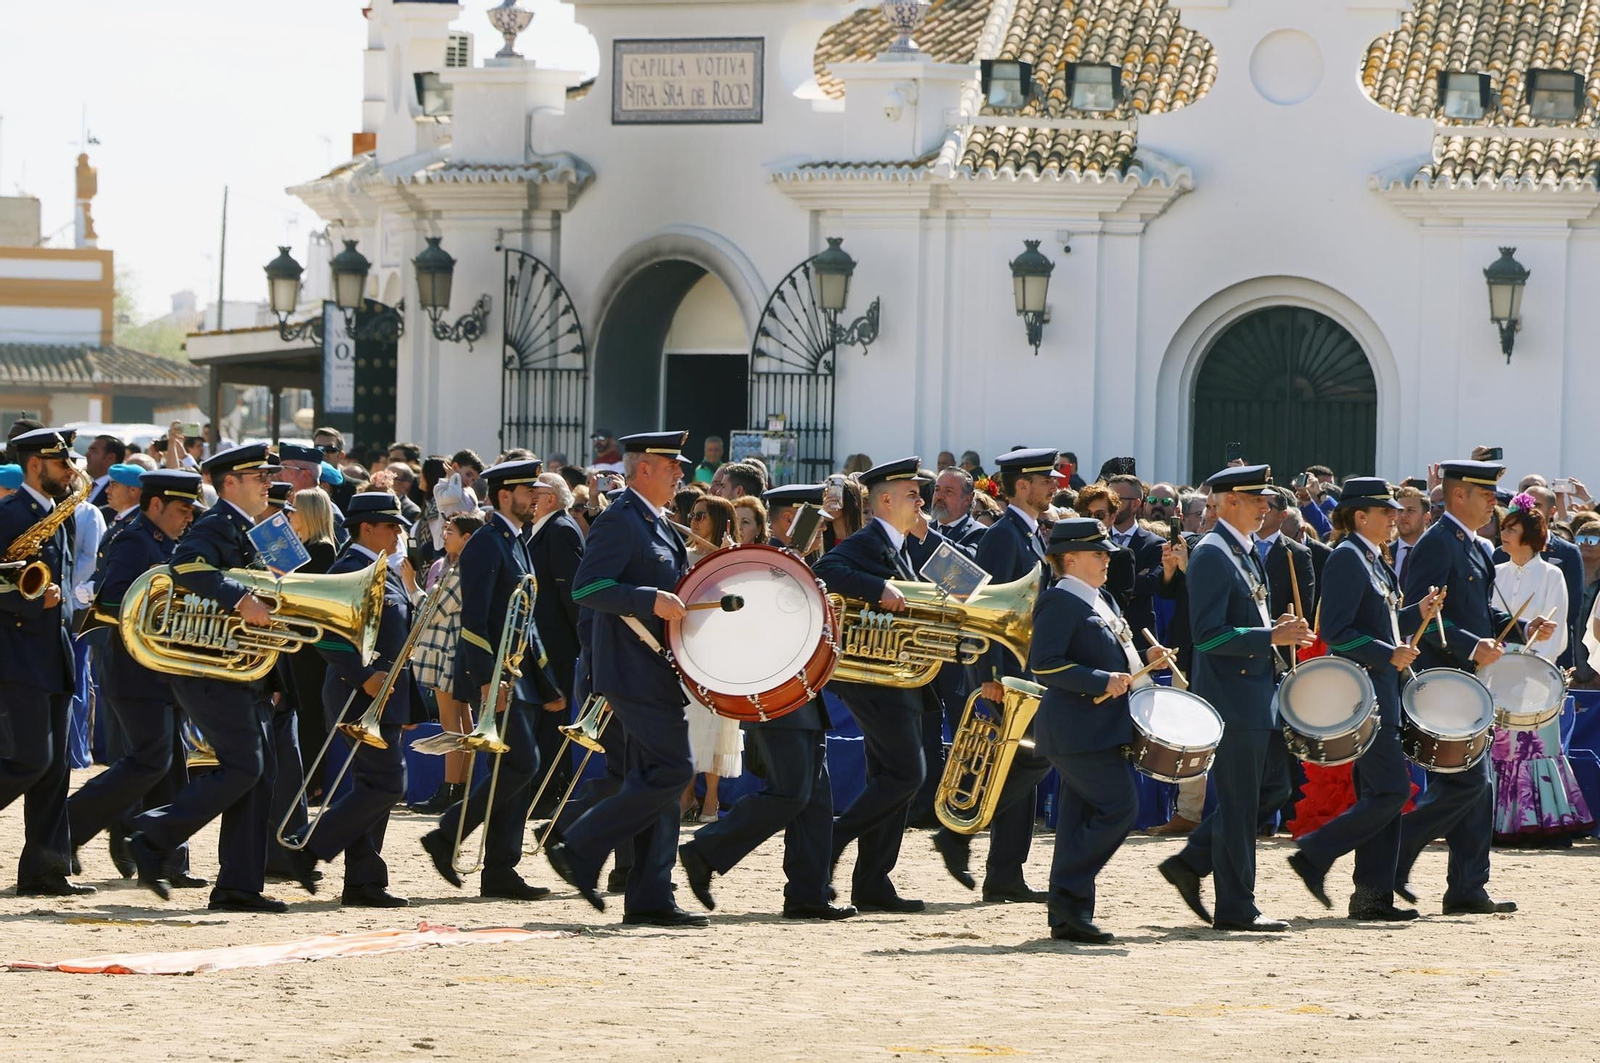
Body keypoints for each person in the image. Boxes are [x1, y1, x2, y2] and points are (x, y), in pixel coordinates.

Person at [126, 443, 305, 911]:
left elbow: (280, 588)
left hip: (245, 670)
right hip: (207, 669)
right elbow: (184, 566)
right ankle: (152, 833)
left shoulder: (256, 528)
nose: (268, 482)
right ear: (230, 482)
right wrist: (238, 596)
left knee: (260, 774)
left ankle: (238, 887)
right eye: (258, 476)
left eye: (268, 475)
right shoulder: (214, 525)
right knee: (244, 765)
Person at [547, 431, 707, 928]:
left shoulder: (656, 522)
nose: (680, 472)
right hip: (630, 669)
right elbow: (588, 587)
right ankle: (579, 845)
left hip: (655, 665)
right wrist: (645, 598)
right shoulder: (621, 519)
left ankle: (649, 894)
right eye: (671, 465)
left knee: (651, 779)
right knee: (674, 770)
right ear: (644, 470)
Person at [1158, 464, 1313, 932]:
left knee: (1272, 790)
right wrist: (1270, 635)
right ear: (1226, 503)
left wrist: (1279, 637)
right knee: (1243, 800)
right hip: (1230, 696)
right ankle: (1236, 905)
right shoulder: (1211, 554)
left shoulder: (1242, 552)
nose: (1265, 505)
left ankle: (1193, 862)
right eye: (1253, 498)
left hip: (1254, 694)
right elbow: (1205, 637)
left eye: (1264, 498)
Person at [1397, 459, 1556, 914]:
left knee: (1477, 788)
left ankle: (1467, 886)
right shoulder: (1437, 544)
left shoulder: (1478, 548)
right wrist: (1471, 647)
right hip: (1443, 680)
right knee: (1466, 785)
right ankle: (1400, 847)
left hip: (1470, 680)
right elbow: (1421, 617)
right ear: (1458, 495)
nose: (1494, 501)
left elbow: (1486, 613)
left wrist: (1524, 628)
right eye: (1485, 493)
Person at [1285, 479, 1444, 921]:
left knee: (1384, 794)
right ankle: (1315, 854)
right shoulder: (1348, 559)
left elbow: (1386, 624)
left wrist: (1421, 614)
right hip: (1364, 699)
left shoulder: (1374, 560)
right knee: (1392, 791)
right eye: (1386, 511)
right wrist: (1386, 653)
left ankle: (1372, 897)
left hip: (1382, 696)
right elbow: (1336, 632)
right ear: (1360, 516)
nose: (1395, 517)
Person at [421, 459, 566, 901]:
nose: (535, 497)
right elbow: (475, 621)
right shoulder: (487, 542)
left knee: (514, 767)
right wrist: (486, 682)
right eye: (528, 491)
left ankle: (500, 868)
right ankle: (450, 834)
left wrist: (547, 684)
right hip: (496, 676)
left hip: (516, 674)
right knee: (523, 763)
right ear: (506, 495)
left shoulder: (513, 540)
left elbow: (527, 616)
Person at [1031, 517, 1170, 942]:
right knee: (1120, 808)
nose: (1107, 558)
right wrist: (1098, 680)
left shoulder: (1100, 596)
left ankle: (1069, 915)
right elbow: (1044, 663)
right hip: (1075, 729)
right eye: (1098, 553)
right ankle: (1068, 896)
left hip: (1101, 728)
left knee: (1079, 821)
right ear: (1070, 559)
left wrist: (1149, 654)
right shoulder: (1060, 600)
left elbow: (1116, 649)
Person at [813, 457, 939, 914]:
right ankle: (832, 843)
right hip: (872, 682)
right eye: (911, 493)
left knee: (890, 779)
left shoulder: (901, 543)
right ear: (884, 499)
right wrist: (875, 587)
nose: (920, 499)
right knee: (908, 774)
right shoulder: (868, 541)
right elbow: (825, 570)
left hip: (896, 679)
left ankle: (872, 882)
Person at [69, 470, 206, 887]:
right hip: (134, 669)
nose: (188, 517)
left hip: (164, 670)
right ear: (155, 504)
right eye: (182, 509)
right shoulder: (133, 539)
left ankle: (166, 861)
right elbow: (113, 598)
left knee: (171, 765)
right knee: (149, 760)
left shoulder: (167, 542)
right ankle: (67, 828)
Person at [932, 449, 1056, 903]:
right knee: (1034, 759)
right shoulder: (1004, 536)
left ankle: (1005, 872)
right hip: (1004, 676)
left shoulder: (1028, 533)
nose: (1054, 486)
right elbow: (982, 611)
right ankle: (961, 841)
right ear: (1021, 485)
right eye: (1045, 479)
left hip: (1023, 672)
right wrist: (989, 674)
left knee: (1019, 767)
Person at [286, 493, 417, 908]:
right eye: (391, 526)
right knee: (387, 784)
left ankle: (363, 880)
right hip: (356, 694)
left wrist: (407, 702)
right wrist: (363, 678)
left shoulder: (386, 569)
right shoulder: (349, 568)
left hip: (383, 694)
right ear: (367, 528)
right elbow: (324, 635)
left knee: (373, 787)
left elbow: (400, 638)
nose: (398, 534)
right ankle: (308, 849)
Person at [0, 429, 89, 895]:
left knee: (55, 771)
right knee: (30, 760)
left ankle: (45, 871)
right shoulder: (9, 513)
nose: (72, 471)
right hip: (16, 656)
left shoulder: (60, 515)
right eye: (62, 463)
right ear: (36, 464)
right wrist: (33, 601)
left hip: (54, 653)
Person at [1490, 496, 1592, 844]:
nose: (1504, 535)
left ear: (1531, 537)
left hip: (1536, 675)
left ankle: (1541, 821)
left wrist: (1528, 668)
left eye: (1512, 529)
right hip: (1494, 672)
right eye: (1503, 529)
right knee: (1498, 748)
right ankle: (1497, 822)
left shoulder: (1553, 574)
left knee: (1535, 747)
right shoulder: (1495, 572)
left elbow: (1558, 627)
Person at [409, 513, 484, 813]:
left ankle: (450, 789)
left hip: (448, 652)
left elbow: (433, 609)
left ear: (467, 538)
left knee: (450, 721)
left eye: (450, 531)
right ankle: (458, 788)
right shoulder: (458, 567)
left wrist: (410, 586)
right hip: (452, 651)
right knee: (461, 720)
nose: (444, 536)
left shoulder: (461, 569)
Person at [526, 472, 584, 818]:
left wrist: (579, 641)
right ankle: (541, 788)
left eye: (535, 491)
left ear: (550, 498)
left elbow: (571, 593)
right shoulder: (540, 528)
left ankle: (549, 792)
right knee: (541, 719)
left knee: (552, 720)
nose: (529, 497)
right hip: (539, 643)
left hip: (556, 644)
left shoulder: (561, 529)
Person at [1104, 474, 1165, 652]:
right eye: (1109, 499)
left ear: (1136, 504)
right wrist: (1134, 581)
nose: (1111, 505)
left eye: (1117, 499)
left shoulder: (1155, 544)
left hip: (1139, 636)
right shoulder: (1098, 540)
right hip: (1103, 635)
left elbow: (1152, 583)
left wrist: (1110, 584)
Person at [929, 467, 987, 553]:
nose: (939, 496)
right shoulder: (921, 529)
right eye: (937, 489)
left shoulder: (979, 533)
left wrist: (928, 535)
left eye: (948, 491)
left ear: (968, 499)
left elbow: (968, 560)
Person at [84, 433, 126, 509]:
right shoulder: (83, 485)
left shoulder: (120, 491)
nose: (87, 455)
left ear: (110, 458)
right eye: (88, 450)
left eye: (94, 451)